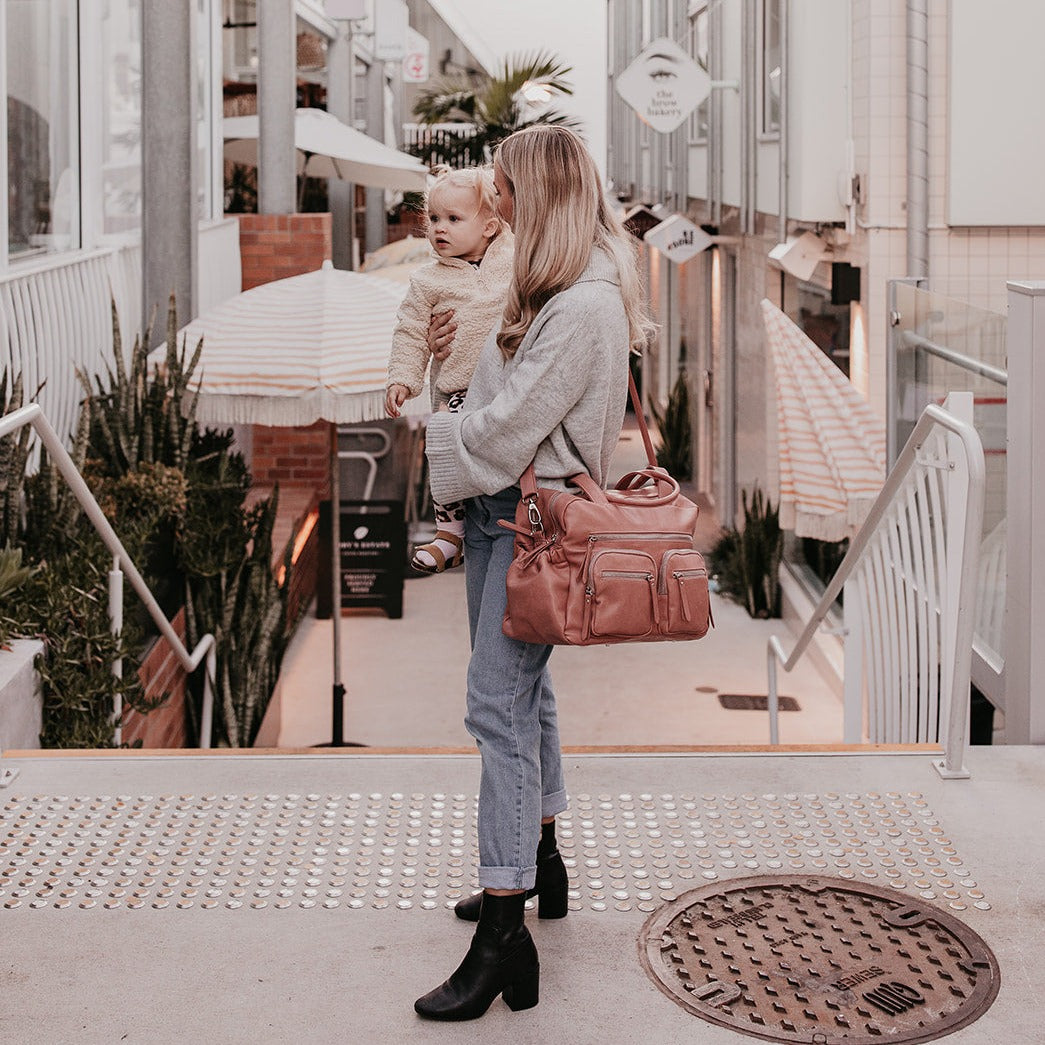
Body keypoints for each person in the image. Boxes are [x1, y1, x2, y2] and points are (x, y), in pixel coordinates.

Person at [413, 126, 651, 1021]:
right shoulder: (544, 284)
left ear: (539, 193)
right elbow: (490, 404)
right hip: (495, 515)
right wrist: (450, 381)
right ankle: (540, 859)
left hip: (527, 523)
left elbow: (506, 431)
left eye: (506, 189)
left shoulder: (581, 306)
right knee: (527, 698)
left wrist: (435, 430)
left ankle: (503, 928)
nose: (495, 202)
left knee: (495, 708)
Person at [385, 166, 514, 574]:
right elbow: (409, 331)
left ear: (490, 227)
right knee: (441, 449)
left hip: (506, 389)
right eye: (434, 219)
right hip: (458, 390)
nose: (440, 229)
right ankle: (450, 532)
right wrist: (402, 379)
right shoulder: (428, 280)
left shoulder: (514, 260)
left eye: (454, 220)